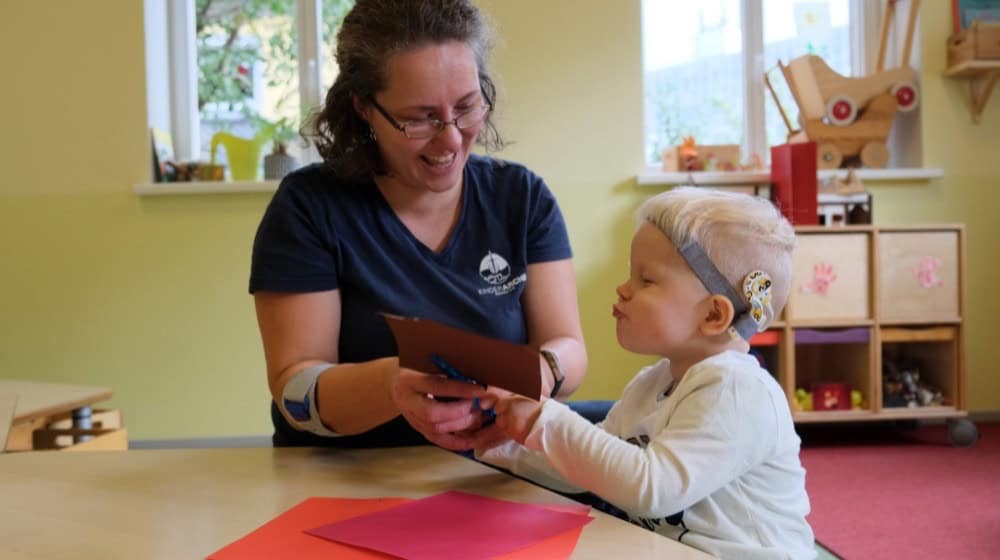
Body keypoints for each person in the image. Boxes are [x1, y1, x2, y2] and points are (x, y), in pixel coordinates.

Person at [249, 0, 603, 451]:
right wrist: (393, 385)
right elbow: (294, 390)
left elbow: (567, 343)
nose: (452, 138)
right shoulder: (309, 208)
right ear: (363, 106)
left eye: (467, 107)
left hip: (498, 473)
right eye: (420, 119)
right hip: (344, 485)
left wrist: (544, 372)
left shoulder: (522, 198)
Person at [478, 187, 816, 559]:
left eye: (646, 279)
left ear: (713, 315)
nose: (623, 289)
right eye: (629, 274)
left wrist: (546, 419)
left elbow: (653, 489)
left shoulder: (736, 390)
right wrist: (503, 441)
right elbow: (589, 468)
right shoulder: (651, 384)